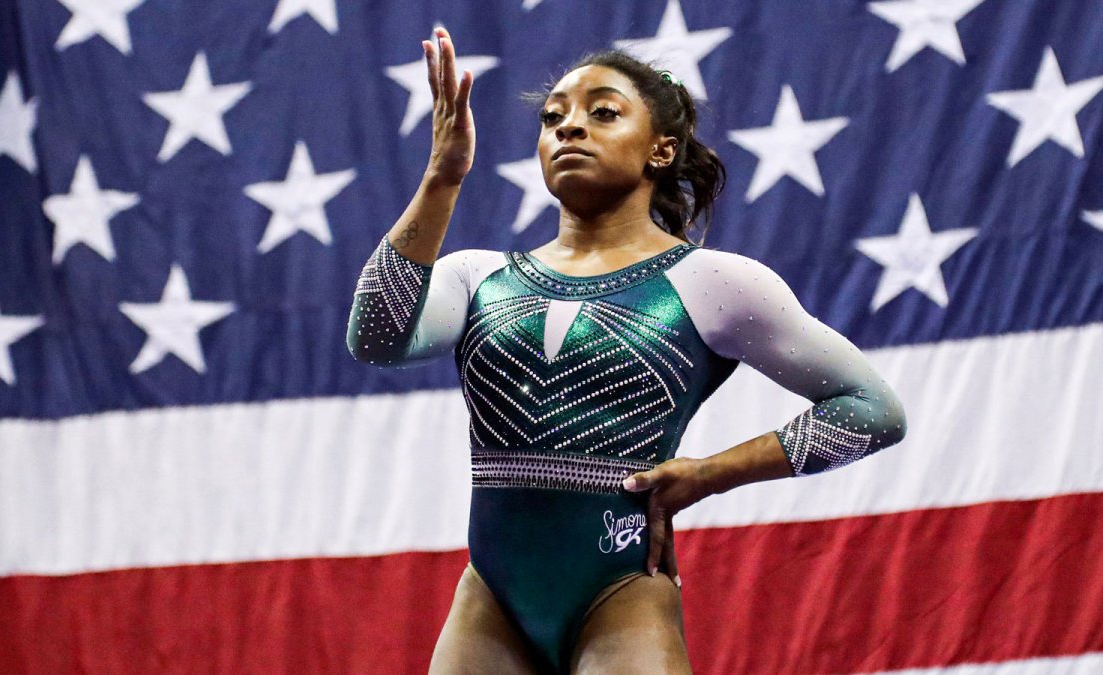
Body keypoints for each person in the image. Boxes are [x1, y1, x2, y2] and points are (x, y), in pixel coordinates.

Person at [347, 26, 907, 675]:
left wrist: (711, 472)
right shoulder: (479, 276)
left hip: (620, 596)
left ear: (660, 150)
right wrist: (443, 179)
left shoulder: (711, 282)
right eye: (553, 118)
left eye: (603, 112)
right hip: (489, 603)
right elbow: (377, 339)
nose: (570, 128)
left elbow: (872, 409)